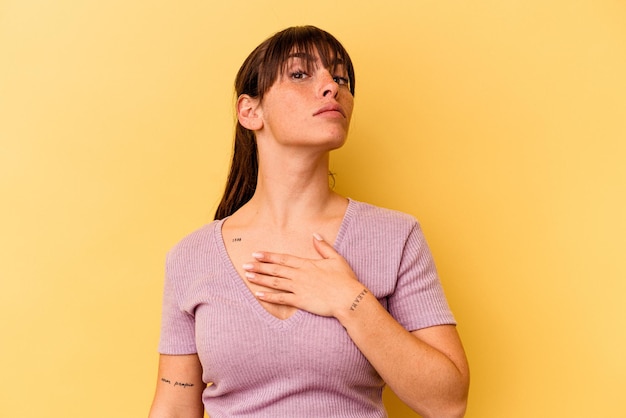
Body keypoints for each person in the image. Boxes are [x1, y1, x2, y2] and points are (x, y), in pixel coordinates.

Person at [148, 25, 469, 418]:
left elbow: (448, 402)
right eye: (301, 74)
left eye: (340, 78)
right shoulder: (191, 256)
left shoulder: (396, 236)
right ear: (250, 111)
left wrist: (349, 301)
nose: (332, 87)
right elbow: (176, 408)